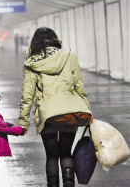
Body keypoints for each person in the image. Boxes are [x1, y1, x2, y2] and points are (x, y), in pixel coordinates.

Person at [18, 27, 93, 187]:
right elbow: (79, 85)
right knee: (66, 153)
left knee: (52, 156)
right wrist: (87, 110)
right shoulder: (69, 56)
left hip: (48, 115)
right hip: (69, 112)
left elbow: (27, 95)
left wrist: (23, 122)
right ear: (54, 39)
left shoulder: (32, 62)